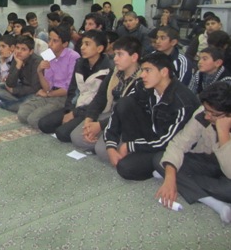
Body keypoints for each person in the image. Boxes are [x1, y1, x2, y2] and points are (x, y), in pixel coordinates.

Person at [102, 52, 200, 181]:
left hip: (169, 146)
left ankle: (157, 164)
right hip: (150, 134)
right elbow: (118, 111)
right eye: (142, 70)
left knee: (126, 168)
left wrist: (130, 146)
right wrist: (110, 146)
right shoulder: (142, 85)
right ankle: (139, 153)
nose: (142, 75)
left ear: (164, 72)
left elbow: (167, 141)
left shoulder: (182, 102)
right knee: (125, 102)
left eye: (147, 70)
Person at [154, 81, 231, 224]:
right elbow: (179, 143)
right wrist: (170, 177)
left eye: (214, 114)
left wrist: (223, 133)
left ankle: (183, 180)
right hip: (209, 161)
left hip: (228, 172)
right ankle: (214, 203)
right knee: (160, 159)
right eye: (206, 110)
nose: (207, 116)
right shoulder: (203, 113)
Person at [71, 36, 142, 153]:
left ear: (134, 57)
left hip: (126, 120)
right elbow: (100, 98)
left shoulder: (142, 79)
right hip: (109, 112)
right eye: (115, 54)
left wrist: (100, 125)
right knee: (77, 137)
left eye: (120, 54)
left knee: (102, 150)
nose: (115, 59)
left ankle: (103, 141)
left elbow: (128, 113)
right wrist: (89, 119)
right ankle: (99, 138)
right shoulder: (115, 72)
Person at [38, 30, 111, 141]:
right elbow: (72, 90)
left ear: (99, 49)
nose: (82, 47)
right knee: (43, 124)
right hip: (76, 105)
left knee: (62, 133)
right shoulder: (80, 62)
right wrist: (69, 110)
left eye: (87, 44)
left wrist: (74, 113)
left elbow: (99, 100)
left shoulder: (107, 69)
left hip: (91, 110)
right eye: (82, 44)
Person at [16, 26, 80, 129]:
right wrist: (39, 71)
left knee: (33, 119)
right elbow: (47, 87)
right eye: (49, 39)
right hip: (50, 93)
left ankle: (59, 120)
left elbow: (68, 89)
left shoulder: (73, 57)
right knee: (22, 114)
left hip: (64, 96)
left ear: (65, 44)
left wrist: (48, 94)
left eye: (55, 41)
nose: (50, 44)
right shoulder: (48, 54)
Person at [0, 35, 42, 112]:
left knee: (31, 99)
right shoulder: (17, 57)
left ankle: (1, 104)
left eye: (23, 49)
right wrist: (18, 65)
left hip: (33, 92)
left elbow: (35, 88)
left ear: (31, 51)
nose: (19, 51)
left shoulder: (37, 62)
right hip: (21, 87)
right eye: (17, 48)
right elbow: (10, 83)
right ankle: (18, 103)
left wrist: (14, 91)